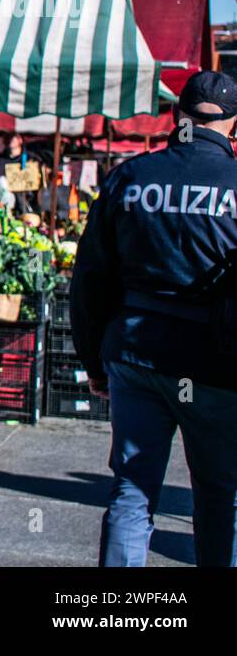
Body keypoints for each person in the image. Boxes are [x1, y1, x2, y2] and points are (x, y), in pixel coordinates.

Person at [72, 70, 237, 568]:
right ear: (234, 125)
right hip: (216, 364)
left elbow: (90, 279)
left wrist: (93, 362)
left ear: (177, 115)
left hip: (135, 354)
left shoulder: (132, 177)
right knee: (219, 493)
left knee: (132, 491)